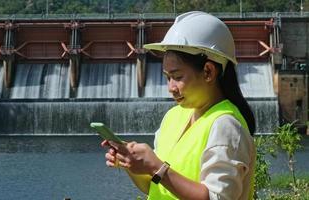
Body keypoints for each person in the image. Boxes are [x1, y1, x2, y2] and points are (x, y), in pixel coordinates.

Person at [102, 11, 256, 200]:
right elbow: (155, 186)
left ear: (208, 71)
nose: (170, 88)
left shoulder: (226, 126)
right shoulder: (174, 117)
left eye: (177, 77)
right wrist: (133, 164)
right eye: (167, 78)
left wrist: (155, 166)